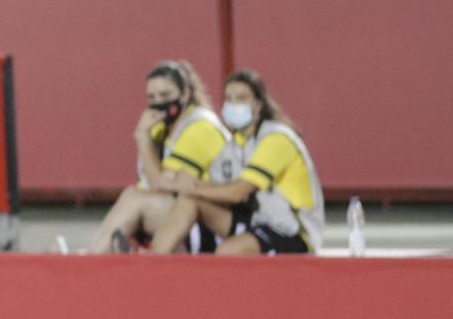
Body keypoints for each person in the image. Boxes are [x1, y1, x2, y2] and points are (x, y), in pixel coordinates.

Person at [152, 69, 326, 254]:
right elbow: (216, 186)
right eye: (229, 99)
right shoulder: (234, 145)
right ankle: (151, 264)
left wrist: (191, 186)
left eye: (241, 98)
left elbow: (237, 192)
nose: (234, 104)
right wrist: (190, 184)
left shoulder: (276, 137)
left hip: (291, 229)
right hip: (257, 220)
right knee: (190, 202)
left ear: (258, 105)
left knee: (228, 251)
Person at [84, 61, 235, 253]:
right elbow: (150, 184)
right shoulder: (162, 129)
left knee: (135, 200)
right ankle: (98, 256)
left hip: (211, 224)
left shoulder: (200, 127)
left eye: (166, 95)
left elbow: (160, 185)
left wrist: (141, 136)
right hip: (186, 217)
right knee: (133, 197)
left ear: (185, 94)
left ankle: (89, 260)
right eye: (152, 97)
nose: (159, 102)